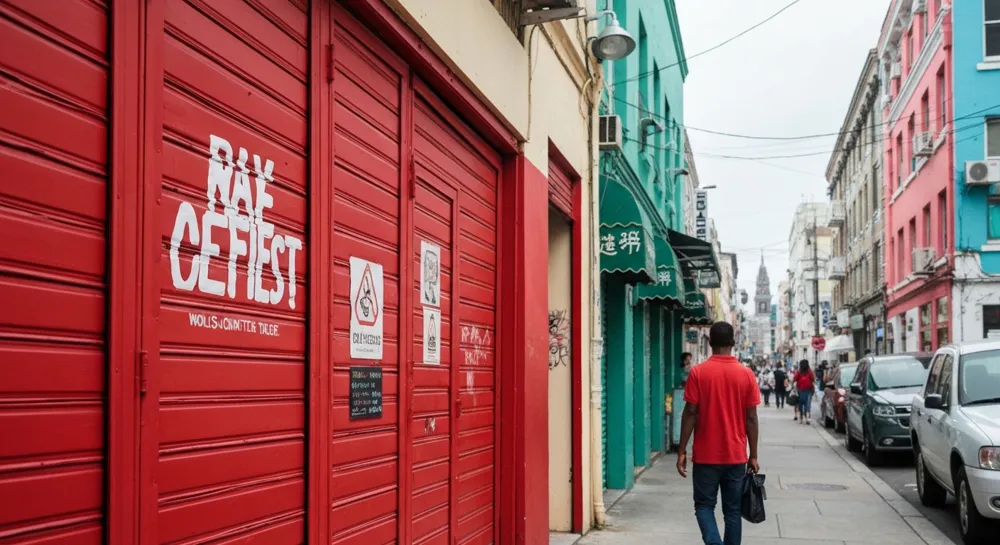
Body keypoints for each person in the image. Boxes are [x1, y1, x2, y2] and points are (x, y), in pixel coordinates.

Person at [677, 322, 761, 545]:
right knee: (733, 511)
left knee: (704, 506)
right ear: (733, 344)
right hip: (735, 456)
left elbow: (690, 413)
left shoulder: (698, 373)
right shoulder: (746, 375)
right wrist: (753, 455)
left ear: (710, 342)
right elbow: (751, 418)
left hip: (706, 456)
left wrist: (682, 450)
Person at [793, 359, 816, 425]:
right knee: (808, 404)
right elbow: (813, 379)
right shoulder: (809, 371)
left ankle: (801, 418)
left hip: (800, 390)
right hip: (809, 390)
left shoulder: (799, 371)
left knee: (800, 404)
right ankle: (807, 418)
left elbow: (795, 379)